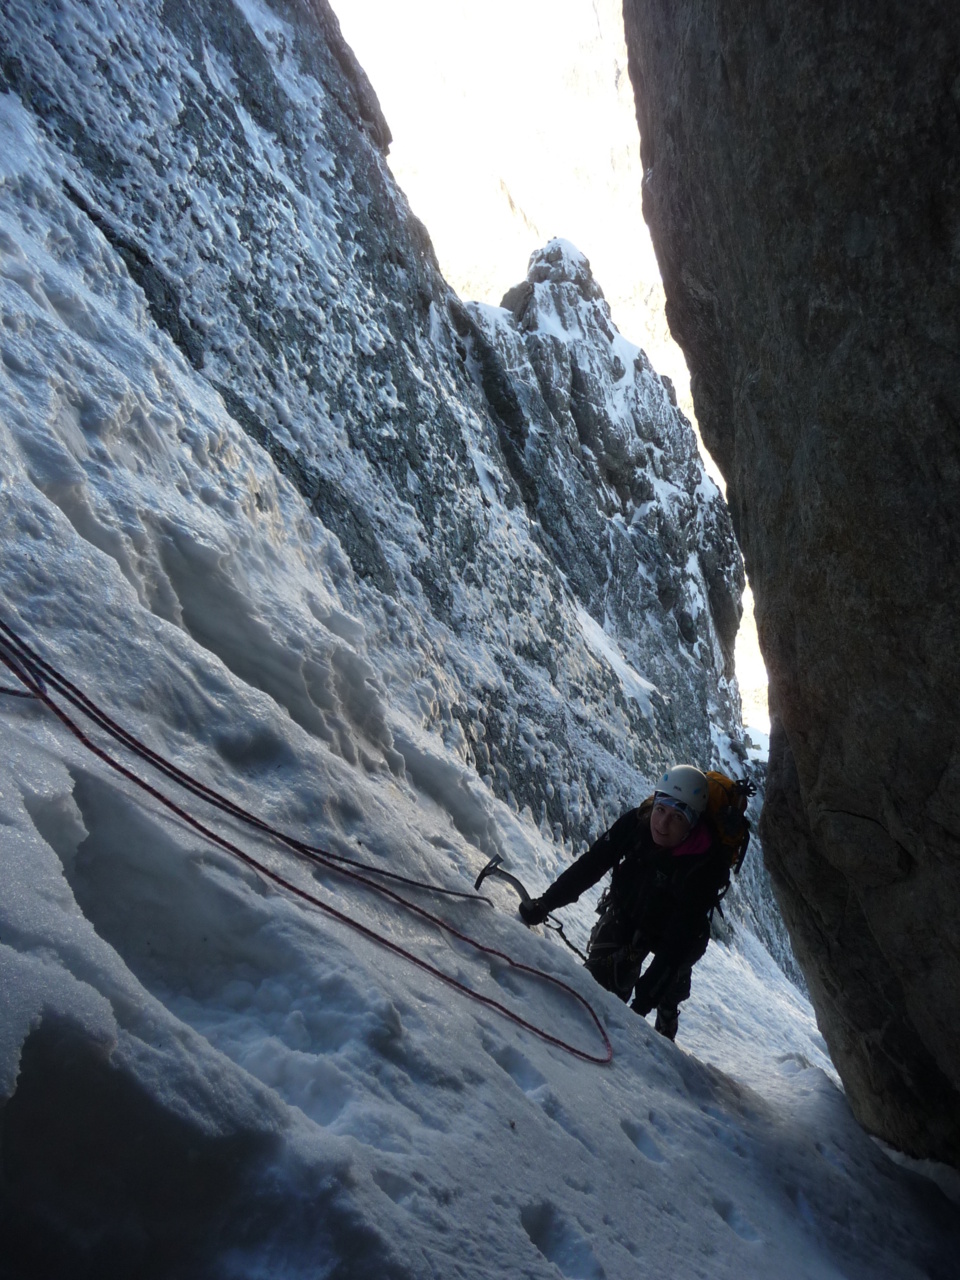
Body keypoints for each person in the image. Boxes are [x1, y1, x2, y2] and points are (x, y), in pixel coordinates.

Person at [518, 765, 729, 1040]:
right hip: (630, 911)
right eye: (661, 809)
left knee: (673, 972)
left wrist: (642, 1004)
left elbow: (677, 944)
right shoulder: (636, 824)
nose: (662, 824)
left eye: (677, 817)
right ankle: (660, 989)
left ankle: (668, 1005)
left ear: (692, 825)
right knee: (598, 990)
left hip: (674, 933)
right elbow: (593, 864)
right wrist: (546, 903)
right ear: (654, 802)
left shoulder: (703, 866)